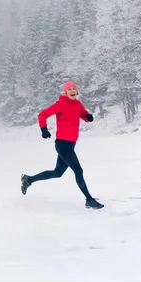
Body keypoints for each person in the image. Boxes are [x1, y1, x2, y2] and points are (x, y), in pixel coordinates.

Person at [20, 81, 104, 209]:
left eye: (74, 88)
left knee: (57, 172)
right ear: (65, 92)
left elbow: (82, 114)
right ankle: (89, 199)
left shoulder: (77, 104)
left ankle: (28, 180)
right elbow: (42, 114)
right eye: (69, 89)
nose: (72, 91)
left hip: (71, 144)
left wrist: (88, 117)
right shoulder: (61, 104)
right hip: (62, 145)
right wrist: (44, 129)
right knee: (78, 170)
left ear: (77, 91)